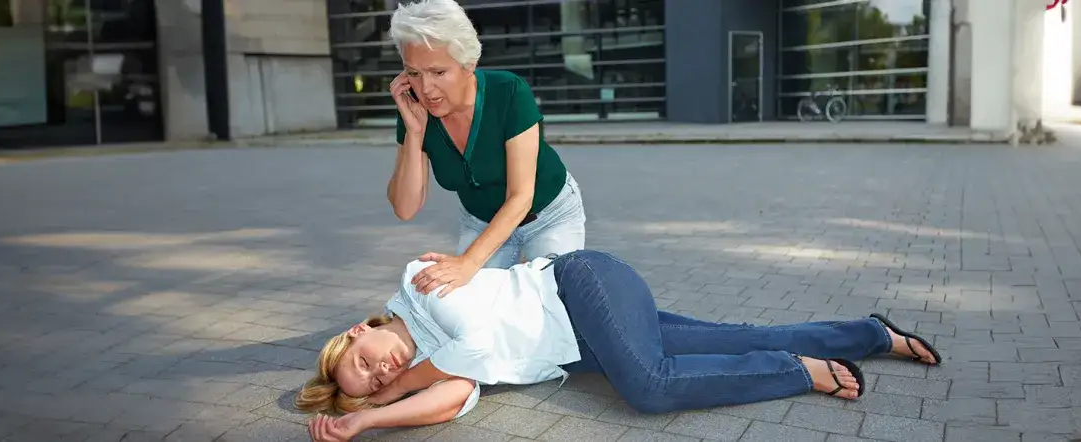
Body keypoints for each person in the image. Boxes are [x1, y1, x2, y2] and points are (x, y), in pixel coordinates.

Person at [295, 250, 942, 442]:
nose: (382, 370)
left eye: (363, 363)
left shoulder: (421, 279)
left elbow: (478, 339)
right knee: (730, 339)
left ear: (361, 329)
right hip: (592, 340)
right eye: (373, 381)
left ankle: (799, 372)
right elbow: (456, 395)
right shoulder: (428, 374)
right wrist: (370, 420)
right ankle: (872, 333)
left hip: (581, 286)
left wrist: (401, 386)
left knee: (649, 386)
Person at [383, 0, 586, 298]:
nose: (425, 89)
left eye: (438, 72)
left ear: (468, 65)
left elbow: (521, 197)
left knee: (554, 301)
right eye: (413, 73)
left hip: (549, 215)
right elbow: (405, 208)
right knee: (461, 302)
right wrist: (414, 133)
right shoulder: (414, 111)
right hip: (482, 223)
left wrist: (468, 263)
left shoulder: (508, 92)